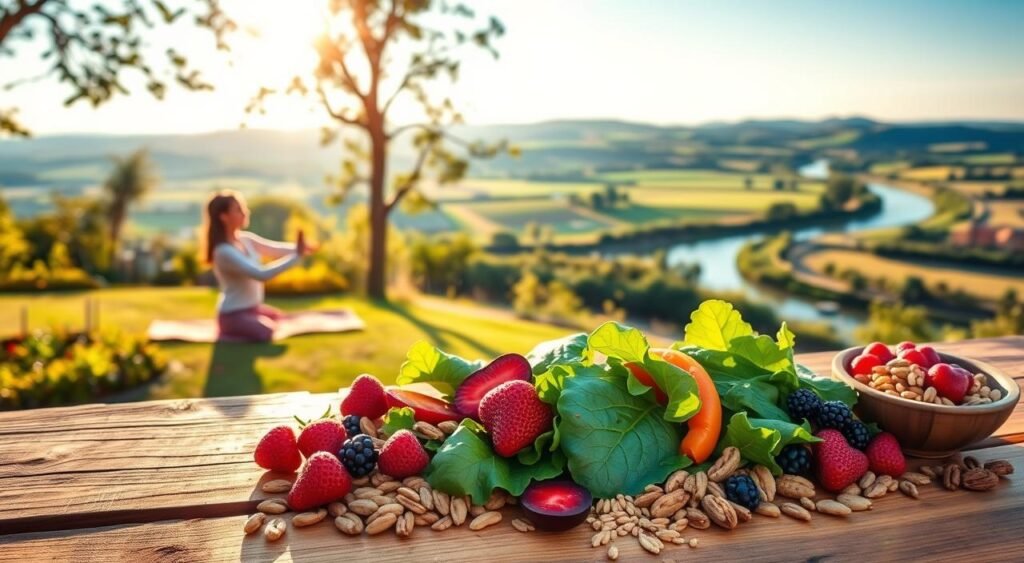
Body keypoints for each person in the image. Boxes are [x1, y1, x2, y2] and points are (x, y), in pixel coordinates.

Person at [201, 190, 315, 342]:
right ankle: (227, 333)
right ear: (224, 217)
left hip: (252, 308)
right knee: (267, 332)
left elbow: (274, 249)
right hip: (232, 314)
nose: (245, 212)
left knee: (281, 319)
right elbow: (261, 274)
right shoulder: (223, 251)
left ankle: (249, 325)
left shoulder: (245, 239)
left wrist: (300, 248)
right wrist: (296, 257)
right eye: (238, 210)